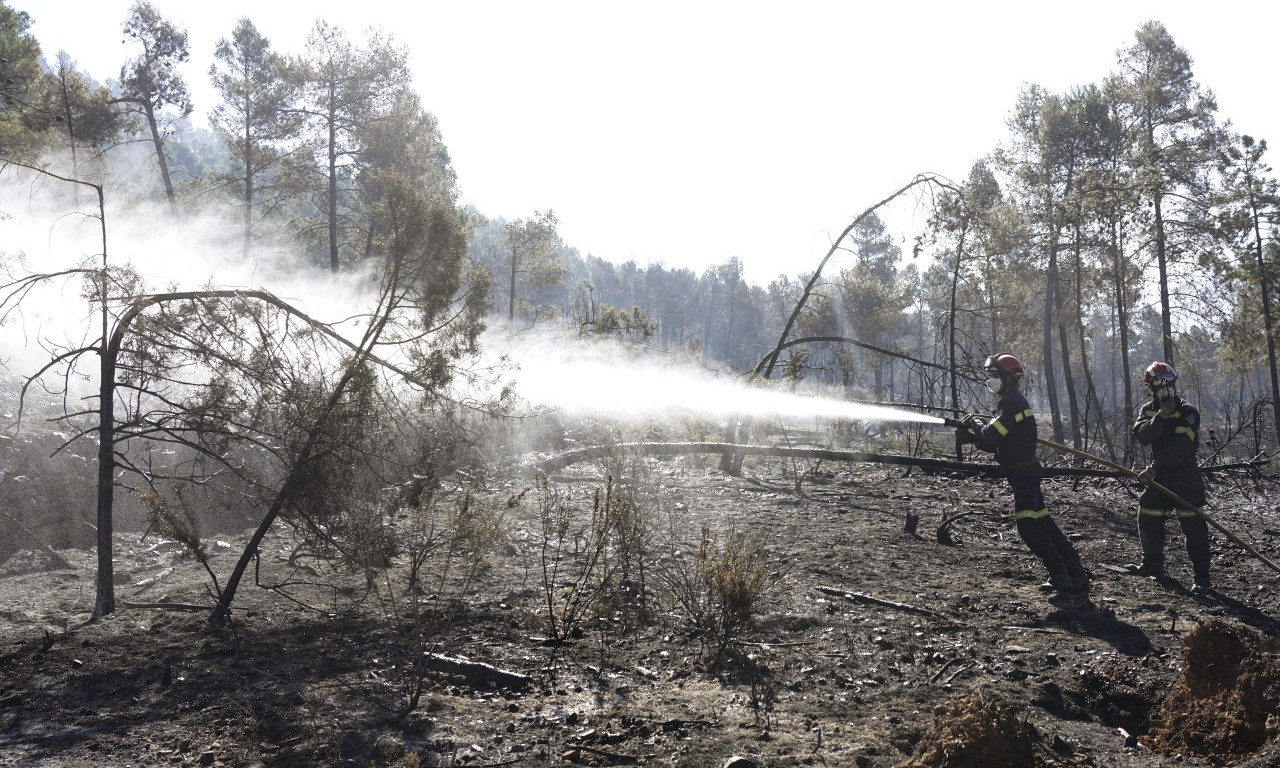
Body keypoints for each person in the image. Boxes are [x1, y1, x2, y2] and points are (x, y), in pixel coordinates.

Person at [956, 354, 1088, 593]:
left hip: (1024, 475)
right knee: (1043, 521)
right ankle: (1074, 570)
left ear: (1009, 377)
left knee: (1027, 526)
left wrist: (975, 426)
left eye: (995, 376)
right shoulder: (1009, 401)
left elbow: (991, 435)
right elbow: (993, 442)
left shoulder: (1011, 404)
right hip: (1024, 473)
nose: (991, 381)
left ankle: (1059, 573)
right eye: (990, 376)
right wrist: (973, 438)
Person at [1127, 361, 1212, 592]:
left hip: (1185, 478)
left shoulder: (1188, 411)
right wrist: (1161, 416)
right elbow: (1142, 436)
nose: (1165, 386)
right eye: (1158, 382)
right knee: (1147, 513)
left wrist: (1154, 468)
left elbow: (1180, 447)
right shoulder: (1148, 411)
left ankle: (1201, 578)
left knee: (1194, 527)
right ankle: (1152, 565)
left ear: (1175, 382)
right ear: (1151, 388)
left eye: (1168, 381)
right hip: (1160, 478)